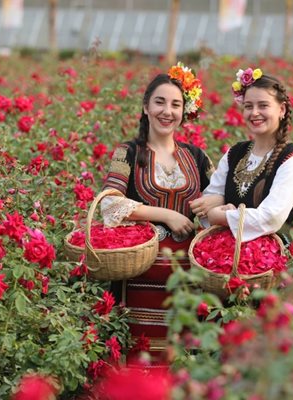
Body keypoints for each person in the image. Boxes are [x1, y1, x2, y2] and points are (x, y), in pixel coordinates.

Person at [100, 63, 213, 366]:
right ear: (146, 107)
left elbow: (215, 205)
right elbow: (109, 205)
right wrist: (166, 215)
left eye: (175, 104)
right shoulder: (127, 153)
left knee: (182, 364)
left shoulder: (197, 157)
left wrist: (219, 207)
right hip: (138, 280)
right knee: (137, 365)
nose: (167, 111)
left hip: (187, 282)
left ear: (184, 111)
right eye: (160, 102)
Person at [190, 67, 293, 245]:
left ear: (282, 110)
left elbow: (270, 216)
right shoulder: (235, 153)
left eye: (263, 105)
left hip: (268, 259)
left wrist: (221, 215)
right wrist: (219, 204)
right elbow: (207, 203)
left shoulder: (292, 161)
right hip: (222, 249)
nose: (254, 113)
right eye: (248, 106)